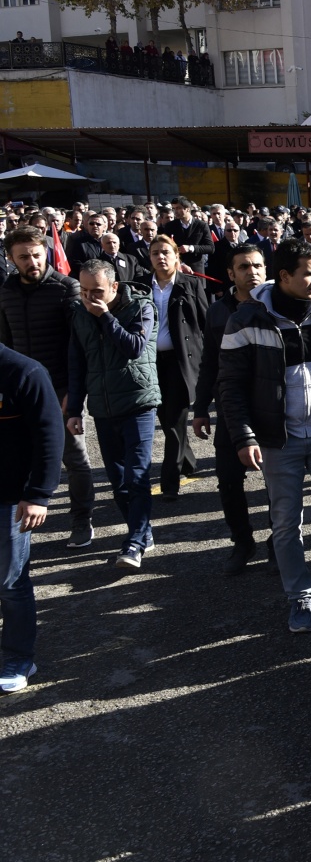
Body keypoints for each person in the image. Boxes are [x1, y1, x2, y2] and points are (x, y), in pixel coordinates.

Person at [218, 239, 311, 633]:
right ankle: (299, 595)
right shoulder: (245, 320)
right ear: (284, 277)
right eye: (310, 273)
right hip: (275, 441)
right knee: (286, 523)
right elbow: (230, 386)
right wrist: (244, 437)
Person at [0, 226, 95, 548]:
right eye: (23, 257)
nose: (32, 261)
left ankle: (82, 520)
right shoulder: (6, 291)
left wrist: (73, 391)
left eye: (37, 255)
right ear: (11, 259)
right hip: (16, 393)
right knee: (19, 456)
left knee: (73, 457)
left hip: (57, 387)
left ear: (47, 253)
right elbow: (5, 344)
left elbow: (78, 345)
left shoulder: (65, 288)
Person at [66, 259, 161, 570]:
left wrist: (106, 317)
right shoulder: (80, 313)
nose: (89, 297)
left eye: (97, 291)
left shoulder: (141, 307)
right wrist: (75, 409)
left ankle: (134, 543)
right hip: (103, 409)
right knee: (118, 481)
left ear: (114, 288)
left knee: (136, 477)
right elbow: (77, 364)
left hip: (138, 403)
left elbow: (134, 347)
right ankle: (142, 531)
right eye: (83, 291)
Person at [192, 243, 266, 575]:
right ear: (231, 274)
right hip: (231, 409)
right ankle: (242, 543)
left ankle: (280, 544)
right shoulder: (218, 312)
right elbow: (209, 362)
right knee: (228, 482)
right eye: (245, 267)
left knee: (280, 484)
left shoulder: (277, 306)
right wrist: (200, 407)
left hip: (272, 410)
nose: (253, 273)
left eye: (258, 266)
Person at [0, 340, 62, 693]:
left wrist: (38, 494)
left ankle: (19, 657)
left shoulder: (25, 372)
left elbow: (49, 434)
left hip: (10, 498)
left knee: (9, 582)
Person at [147, 236, 208, 500]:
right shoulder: (141, 287)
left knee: (174, 422)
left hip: (181, 361)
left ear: (176, 257)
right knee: (166, 417)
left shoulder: (191, 284)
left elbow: (206, 324)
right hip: (150, 363)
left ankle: (170, 481)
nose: (161, 257)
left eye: (166, 253)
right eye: (155, 253)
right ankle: (189, 462)